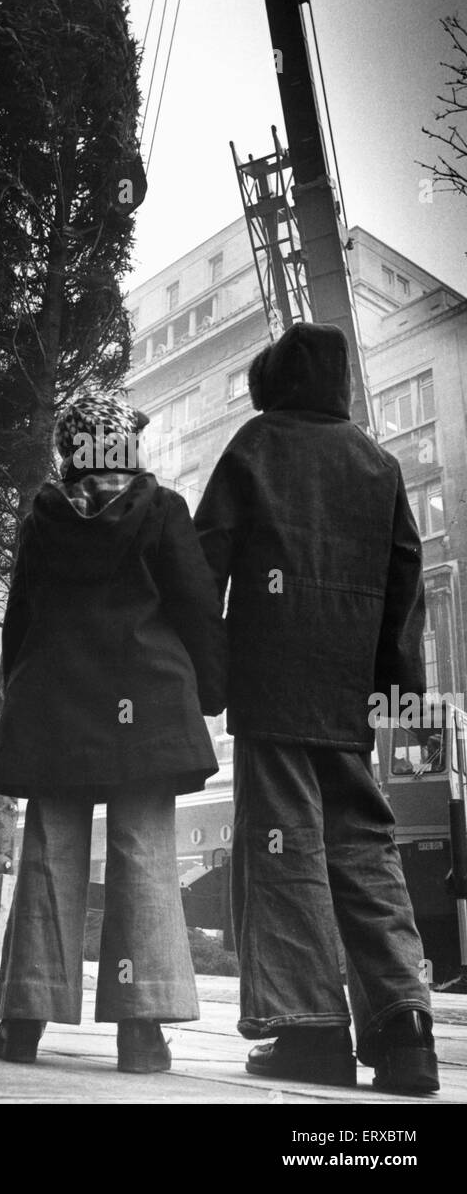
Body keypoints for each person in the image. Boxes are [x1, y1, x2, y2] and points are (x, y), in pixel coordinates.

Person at [194, 322, 439, 1095]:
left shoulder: (256, 445)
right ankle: (407, 1030)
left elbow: (204, 564)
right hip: (347, 696)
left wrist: (209, 676)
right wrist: (396, 690)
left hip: (272, 685)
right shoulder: (379, 463)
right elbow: (408, 582)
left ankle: (309, 1034)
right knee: (365, 849)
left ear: (276, 382)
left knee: (282, 848)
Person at [0, 390, 226, 1071]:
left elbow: (21, 616)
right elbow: (197, 605)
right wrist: (212, 689)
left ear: (71, 452)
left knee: (48, 855)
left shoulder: (43, 516)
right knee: (145, 855)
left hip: (56, 706)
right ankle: (141, 1031)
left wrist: (12, 699)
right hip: (146, 705)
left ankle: (24, 1022)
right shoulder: (163, 509)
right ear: (129, 447)